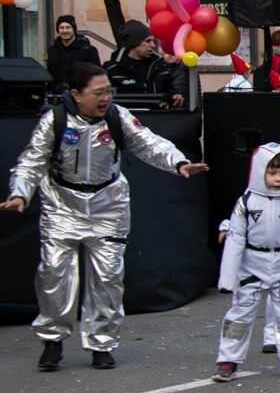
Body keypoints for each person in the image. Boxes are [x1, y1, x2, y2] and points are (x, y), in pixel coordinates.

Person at [4, 64, 207, 370]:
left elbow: (150, 143)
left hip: (108, 205)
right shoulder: (55, 121)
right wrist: (20, 193)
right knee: (54, 275)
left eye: (109, 91)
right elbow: (31, 161)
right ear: (76, 94)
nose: (105, 98)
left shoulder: (117, 117)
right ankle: (52, 340)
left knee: (107, 278)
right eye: (98, 93)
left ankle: (101, 342)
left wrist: (178, 163)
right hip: (62, 204)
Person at [212, 144, 280, 383]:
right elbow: (236, 238)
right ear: (260, 172)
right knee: (239, 314)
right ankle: (228, 359)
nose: (279, 179)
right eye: (272, 173)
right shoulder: (246, 202)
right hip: (252, 264)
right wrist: (227, 278)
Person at [106, 21, 187, 108]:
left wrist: (174, 96)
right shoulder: (112, 69)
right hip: (125, 114)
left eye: (153, 41)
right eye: (148, 41)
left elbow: (170, 90)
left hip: (157, 114)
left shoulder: (160, 66)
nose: (153, 45)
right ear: (134, 43)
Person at [45, 15, 101, 90]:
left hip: (81, 92)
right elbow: (50, 73)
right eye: (61, 28)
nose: (65, 31)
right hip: (58, 92)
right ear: (58, 30)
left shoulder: (89, 50)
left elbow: (96, 74)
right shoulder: (52, 50)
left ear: (74, 29)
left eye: (68, 27)